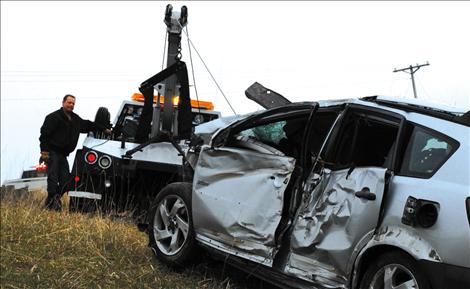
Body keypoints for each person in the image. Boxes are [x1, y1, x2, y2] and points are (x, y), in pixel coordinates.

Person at [39, 94, 111, 211]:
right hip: (52, 153)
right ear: (63, 103)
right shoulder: (53, 117)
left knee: (66, 181)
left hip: (63, 155)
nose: (71, 105)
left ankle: (51, 201)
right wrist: (45, 153)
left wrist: (103, 129)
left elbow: (88, 125)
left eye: (73, 103)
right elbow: (44, 136)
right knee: (53, 178)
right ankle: (54, 203)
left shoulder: (75, 120)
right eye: (69, 102)